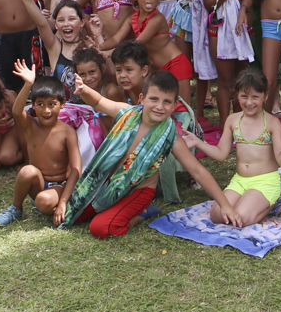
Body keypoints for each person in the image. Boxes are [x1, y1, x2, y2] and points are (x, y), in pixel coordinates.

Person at [66, 70, 245, 237]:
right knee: (73, 211)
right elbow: (98, 102)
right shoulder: (127, 113)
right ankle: (110, 205)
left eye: (167, 102)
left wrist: (225, 205)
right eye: (154, 99)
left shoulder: (170, 136)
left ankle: (143, 214)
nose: (159, 107)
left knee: (100, 228)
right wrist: (84, 90)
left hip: (138, 192)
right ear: (142, 99)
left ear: (175, 105)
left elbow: (198, 171)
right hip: (108, 183)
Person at [180, 69, 281, 225]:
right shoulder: (233, 120)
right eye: (244, 96)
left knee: (241, 218)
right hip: (239, 181)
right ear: (237, 95)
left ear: (265, 96)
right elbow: (221, 154)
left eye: (255, 97)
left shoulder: (272, 122)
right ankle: (251, 202)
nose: (249, 102)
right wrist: (198, 142)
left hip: (265, 181)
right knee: (217, 215)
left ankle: (271, 203)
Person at [0, 67, 80, 227]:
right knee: (27, 171)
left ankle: (56, 206)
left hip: (59, 186)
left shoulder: (68, 132)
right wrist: (28, 85)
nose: (46, 110)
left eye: (52, 104)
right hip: (38, 184)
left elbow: (76, 169)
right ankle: (15, 209)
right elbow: (17, 111)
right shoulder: (31, 125)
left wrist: (63, 201)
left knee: (42, 202)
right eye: (40, 104)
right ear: (32, 105)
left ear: (62, 104)